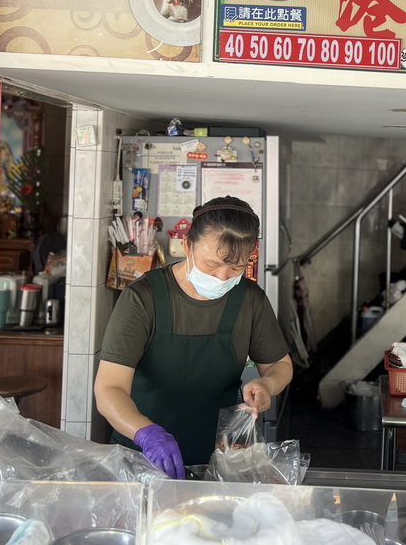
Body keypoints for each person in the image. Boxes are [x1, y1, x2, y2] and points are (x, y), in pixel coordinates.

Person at [94, 196, 293, 478]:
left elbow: (280, 365)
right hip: (141, 458)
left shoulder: (250, 299)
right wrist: (146, 433)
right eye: (212, 265)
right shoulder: (143, 298)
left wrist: (266, 384)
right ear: (188, 245)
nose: (222, 277)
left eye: (236, 267)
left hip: (218, 460)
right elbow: (109, 389)